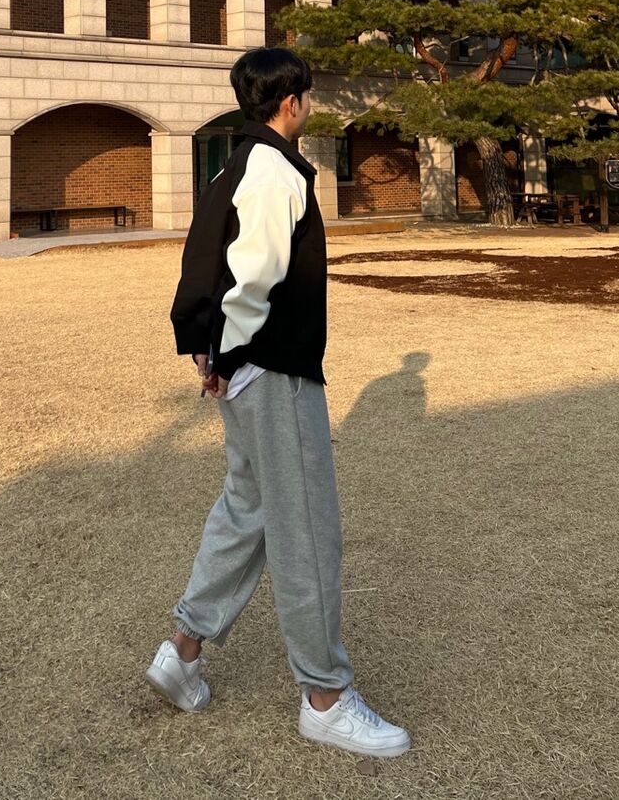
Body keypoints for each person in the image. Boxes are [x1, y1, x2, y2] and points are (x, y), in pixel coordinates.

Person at [145, 46, 411, 760]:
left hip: (243, 368)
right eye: (307, 96)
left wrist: (209, 352)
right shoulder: (273, 169)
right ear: (291, 101)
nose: (309, 105)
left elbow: (207, 264)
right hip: (273, 371)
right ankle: (325, 697)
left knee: (248, 510)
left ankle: (184, 650)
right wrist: (226, 354)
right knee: (306, 528)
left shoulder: (236, 165)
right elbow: (252, 278)